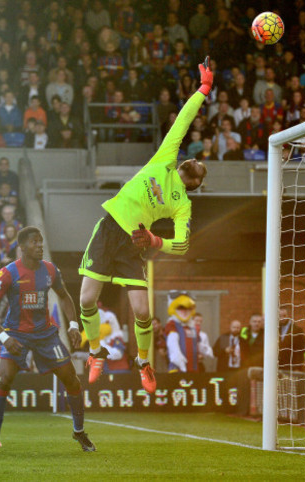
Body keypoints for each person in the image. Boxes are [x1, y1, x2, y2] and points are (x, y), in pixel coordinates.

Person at [78, 57, 213, 393]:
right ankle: (96, 353)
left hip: (133, 243)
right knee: (86, 300)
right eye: (195, 160)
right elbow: (182, 121)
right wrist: (204, 89)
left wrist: (154, 241)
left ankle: (143, 362)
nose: (196, 161)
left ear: (194, 183)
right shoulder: (166, 160)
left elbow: (182, 245)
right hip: (110, 227)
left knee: (142, 310)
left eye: (200, 168)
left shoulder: (183, 204)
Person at [0, 227, 94, 453]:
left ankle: (79, 432)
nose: (40, 245)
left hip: (46, 335)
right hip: (16, 334)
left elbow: (64, 296)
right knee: (3, 379)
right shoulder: (8, 273)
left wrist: (73, 324)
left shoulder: (50, 270)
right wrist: (4, 337)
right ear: (22, 247)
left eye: (41, 241)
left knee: (72, 380)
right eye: (35, 242)